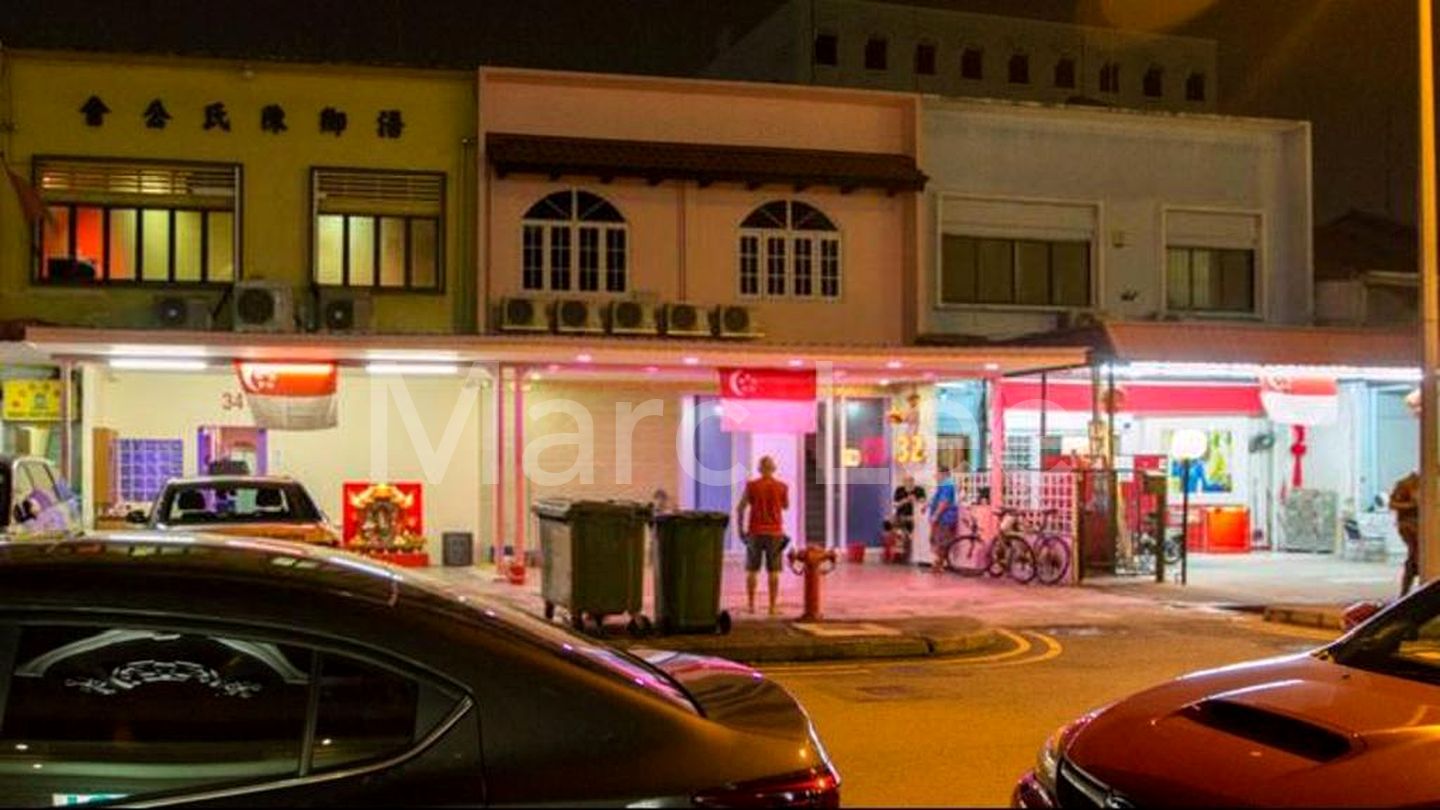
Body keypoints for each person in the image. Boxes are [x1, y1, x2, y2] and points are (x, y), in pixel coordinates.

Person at [736, 456, 790, 615]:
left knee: (752, 570)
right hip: (775, 533)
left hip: (755, 533)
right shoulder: (782, 487)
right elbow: (786, 506)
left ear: (759, 469)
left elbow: (740, 508)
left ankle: (751, 605)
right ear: (774, 468)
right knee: (773, 571)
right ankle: (772, 607)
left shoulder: (752, 486)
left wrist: (740, 530)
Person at [1390, 471, 1421, 596]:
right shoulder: (1407, 483)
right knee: (1416, 556)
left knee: (1415, 559)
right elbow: (1392, 504)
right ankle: (1405, 593)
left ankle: (1406, 592)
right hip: (1411, 526)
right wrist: (1413, 505)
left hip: (1428, 525)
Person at [927, 465, 959, 572]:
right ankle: (938, 564)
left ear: (943, 474)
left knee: (942, 541)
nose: (935, 476)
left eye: (937, 473)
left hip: (945, 518)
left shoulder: (947, 485)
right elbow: (936, 499)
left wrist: (936, 515)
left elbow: (943, 502)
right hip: (942, 518)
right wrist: (927, 505)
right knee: (938, 540)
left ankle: (938, 564)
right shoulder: (943, 485)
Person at [890, 474, 926, 562]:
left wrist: (915, 500)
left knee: (914, 532)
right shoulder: (899, 490)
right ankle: (900, 555)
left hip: (915, 517)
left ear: (913, 482)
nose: (909, 483)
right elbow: (895, 504)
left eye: (910, 481)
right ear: (903, 482)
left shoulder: (919, 490)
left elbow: (924, 502)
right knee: (899, 533)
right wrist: (904, 501)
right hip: (901, 516)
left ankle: (914, 554)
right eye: (906, 481)